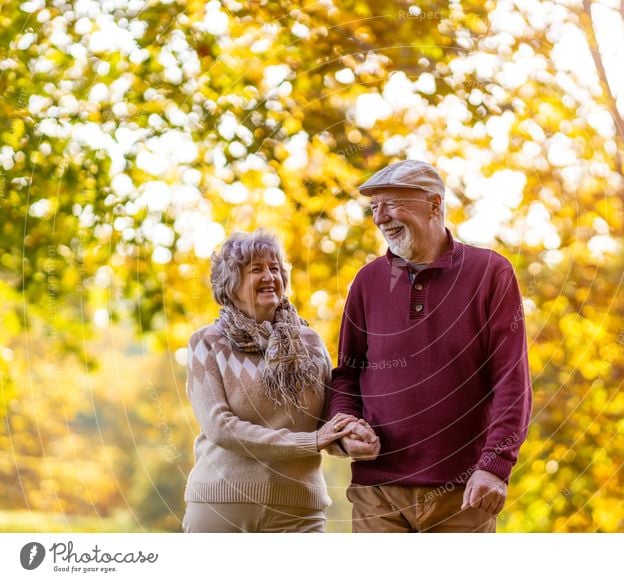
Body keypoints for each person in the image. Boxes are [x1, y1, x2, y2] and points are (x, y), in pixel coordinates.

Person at [330, 160, 532, 532]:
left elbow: (511, 381)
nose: (379, 219)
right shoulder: (367, 281)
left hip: (464, 493)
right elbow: (346, 376)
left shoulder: (490, 273)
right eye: (374, 208)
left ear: (434, 205)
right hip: (378, 493)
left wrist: (495, 466)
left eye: (390, 204)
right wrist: (345, 429)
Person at [182, 229, 367, 532]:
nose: (270, 276)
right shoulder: (207, 343)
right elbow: (220, 427)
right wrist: (311, 441)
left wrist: (351, 439)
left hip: (299, 511)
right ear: (230, 283)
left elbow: (326, 424)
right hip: (223, 506)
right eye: (256, 269)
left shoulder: (309, 343)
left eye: (275, 268)